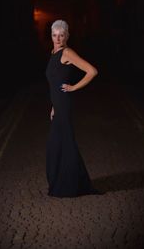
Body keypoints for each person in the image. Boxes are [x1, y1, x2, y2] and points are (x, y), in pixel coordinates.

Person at [45, 19, 103, 198]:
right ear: (52, 36)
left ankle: (70, 185)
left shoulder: (67, 52)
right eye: (55, 35)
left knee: (65, 144)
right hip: (58, 105)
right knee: (57, 146)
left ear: (67, 36)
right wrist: (53, 106)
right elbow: (54, 82)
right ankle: (73, 182)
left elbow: (92, 71)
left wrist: (73, 87)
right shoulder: (53, 52)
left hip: (65, 104)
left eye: (62, 35)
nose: (58, 38)